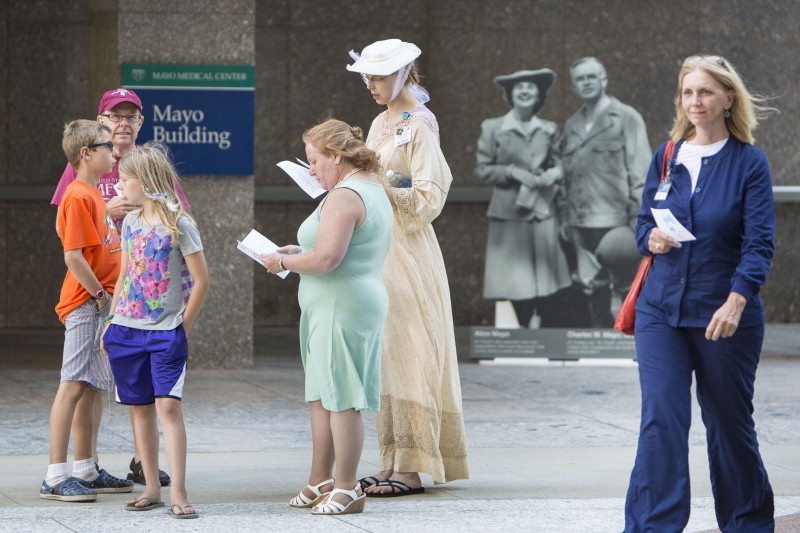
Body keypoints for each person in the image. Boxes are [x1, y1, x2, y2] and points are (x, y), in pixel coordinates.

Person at [623, 55, 776, 532]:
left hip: (722, 314)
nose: (695, 101)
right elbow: (644, 221)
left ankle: (748, 523)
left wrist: (738, 299)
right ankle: (653, 526)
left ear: (728, 98)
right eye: (688, 92)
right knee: (662, 421)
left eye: (706, 92)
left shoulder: (749, 162)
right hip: (660, 311)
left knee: (728, 425)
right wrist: (650, 237)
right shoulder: (668, 155)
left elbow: (759, 242)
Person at [346, 38, 469, 496]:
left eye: (377, 76)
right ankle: (393, 458)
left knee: (411, 343)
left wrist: (378, 187)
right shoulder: (380, 121)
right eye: (367, 77)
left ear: (403, 74)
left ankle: (413, 467)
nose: (370, 85)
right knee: (388, 348)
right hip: (380, 244)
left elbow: (428, 198)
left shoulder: (420, 123)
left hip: (409, 247)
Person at [51, 88, 188, 487]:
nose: (123, 124)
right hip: (101, 293)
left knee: (121, 379)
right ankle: (81, 464)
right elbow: (69, 236)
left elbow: (179, 220)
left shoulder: (149, 161)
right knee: (84, 382)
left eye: (132, 116)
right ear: (101, 122)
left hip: (142, 296)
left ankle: (140, 461)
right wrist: (106, 216)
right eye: (116, 116)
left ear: (141, 123)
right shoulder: (84, 172)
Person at [261, 119, 393, 515]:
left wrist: (283, 260)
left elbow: (326, 258)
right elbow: (329, 247)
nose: (312, 170)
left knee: (342, 399)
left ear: (336, 156)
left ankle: (348, 487)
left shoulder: (344, 195)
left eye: (314, 161)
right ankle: (320, 479)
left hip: (341, 303)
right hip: (338, 301)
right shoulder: (369, 187)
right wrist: (295, 249)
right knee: (323, 396)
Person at [102, 143, 209, 518]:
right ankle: (151, 487)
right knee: (140, 411)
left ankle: (177, 490)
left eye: (124, 180)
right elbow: (125, 275)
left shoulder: (179, 224)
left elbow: (201, 280)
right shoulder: (128, 223)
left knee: (168, 407)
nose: (119, 187)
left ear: (145, 183)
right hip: (125, 332)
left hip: (166, 333)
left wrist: (183, 326)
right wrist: (110, 321)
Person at [40, 120, 131, 502]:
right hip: (86, 303)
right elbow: (73, 256)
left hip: (99, 303)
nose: (113, 150)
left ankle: (85, 467)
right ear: (86, 153)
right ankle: (55, 475)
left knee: (93, 387)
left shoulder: (93, 195)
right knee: (73, 383)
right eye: (105, 145)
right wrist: (100, 297)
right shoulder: (78, 196)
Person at [475, 69, 571, 328]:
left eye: (531, 87)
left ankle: (541, 333)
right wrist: (512, 172)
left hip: (543, 210)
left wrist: (554, 173)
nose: (525, 91)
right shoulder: (493, 127)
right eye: (519, 87)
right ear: (510, 95)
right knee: (516, 279)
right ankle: (522, 330)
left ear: (539, 94)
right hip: (510, 212)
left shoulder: (549, 129)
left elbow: (561, 163)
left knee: (546, 275)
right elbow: (483, 169)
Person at [560, 57, 651, 327]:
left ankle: (628, 343)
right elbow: (567, 176)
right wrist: (566, 217)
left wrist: (640, 219)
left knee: (624, 287)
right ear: (574, 85)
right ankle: (600, 341)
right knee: (593, 289)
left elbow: (641, 171)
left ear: (604, 80)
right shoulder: (572, 125)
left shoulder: (626, 117)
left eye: (591, 77)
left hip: (616, 222)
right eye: (580, 79)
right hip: (580, 224)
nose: (586, 83)